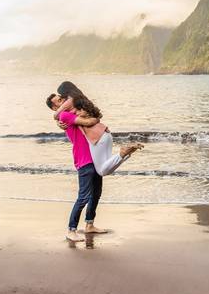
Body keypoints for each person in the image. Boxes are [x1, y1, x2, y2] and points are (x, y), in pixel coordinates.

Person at [45, 87, 142, 243]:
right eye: (59, 101)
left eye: (61, 98)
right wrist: (60, 117)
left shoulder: (73, 111)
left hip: (94, 156)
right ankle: (71, 230)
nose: (63, 100)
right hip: (84, 159)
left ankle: (89, 224)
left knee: (96, 193)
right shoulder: (64, 115)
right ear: (55, 108)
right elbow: (90, 121)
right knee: (83, 196)